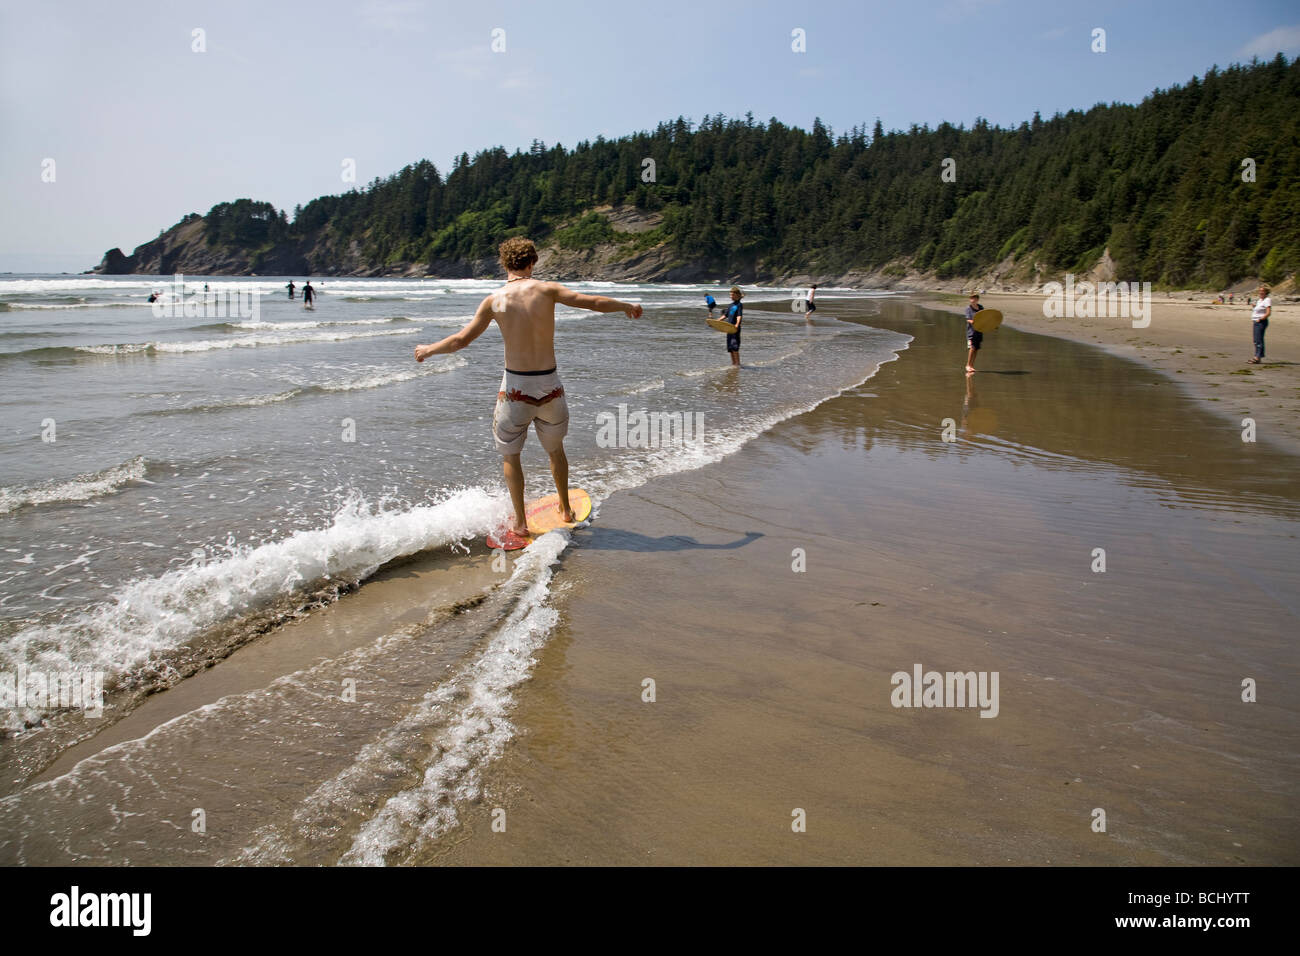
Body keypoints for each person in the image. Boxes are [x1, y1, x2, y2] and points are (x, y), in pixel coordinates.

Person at [413, 237, 643, 547]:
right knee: (555, 450)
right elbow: (593, 302)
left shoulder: (494, 301)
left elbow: (460, 342)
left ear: (504, 264)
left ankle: (520, 523)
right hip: (550, 387)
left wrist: (428, 349)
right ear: (532, 262)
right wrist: (626, 305)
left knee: (511, 455)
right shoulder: (547, 290)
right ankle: (564, 508)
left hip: (515, 390)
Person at [1249, 284, 1271, 364]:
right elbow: (1258, 310)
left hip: (1261, 322)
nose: (1261, 292)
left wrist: (1261, 319)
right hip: (1256, 321)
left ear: (1266, 292)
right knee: (1256, 340)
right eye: (1260, 291)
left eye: (1262, 291)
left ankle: (1257, 357)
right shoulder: (1260, 300)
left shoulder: (1267, 300)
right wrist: (1254, 307)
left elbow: (1268, 312)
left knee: (1258, 340)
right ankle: (1258, 357)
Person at [723, 286, 743, 366]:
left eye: (732, 295)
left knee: (735, 347)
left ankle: (738, 364)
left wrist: (737, 324)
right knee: (730, 348)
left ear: (737, 295)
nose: (731, 296)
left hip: (735, 329)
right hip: (729, 329)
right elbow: (725, 315)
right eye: (730, 295)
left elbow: (739, 316)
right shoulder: (730, 305)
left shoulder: (739, 305)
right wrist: (716, 321)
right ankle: (733, 364)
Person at [964, 293, 984, 373]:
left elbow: (984, 317)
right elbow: (967, 319)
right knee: (972, 348)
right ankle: (968, 365)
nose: (973, 299)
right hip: (971, 332)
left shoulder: (980, 307)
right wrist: (972, 321)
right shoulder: (968, 308)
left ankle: (972, 366)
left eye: (974, 298)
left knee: (976, 349)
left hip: (979, 331)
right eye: (971, 298)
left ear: (977, 299)